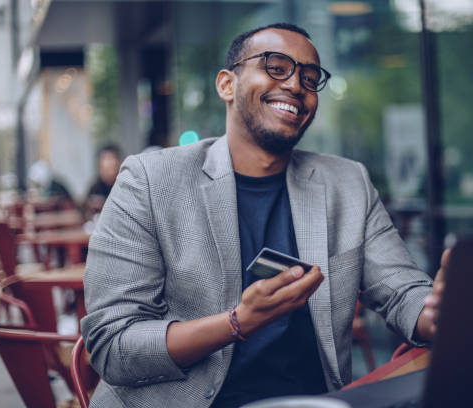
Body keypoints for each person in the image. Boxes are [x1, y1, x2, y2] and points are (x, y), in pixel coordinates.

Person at [81, 23, 445, 408]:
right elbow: (112, 345)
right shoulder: (150, 180)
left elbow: (402, 290)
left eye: (309, 77)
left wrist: (434, 311)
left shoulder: (347, 183)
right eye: (275, 66)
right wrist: (236, 323)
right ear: (227, 85)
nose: (295, 85)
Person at [84, 144, 122, 215]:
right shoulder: (94, 189)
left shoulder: (123, 186)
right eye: (107, 159)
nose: (111, 163)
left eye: (113, 158)